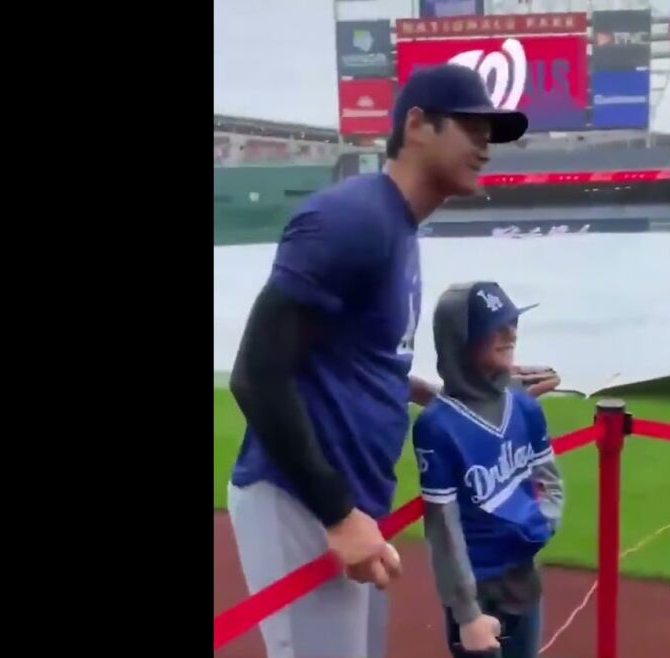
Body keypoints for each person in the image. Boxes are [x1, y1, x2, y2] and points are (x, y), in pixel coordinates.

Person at [224, 64, 529, 658]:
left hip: (349, 501)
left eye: (490, 135)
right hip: (302, 503)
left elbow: (358, 353)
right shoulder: (352, 219)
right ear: (417, 125)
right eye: (471, 129)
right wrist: (338, 515)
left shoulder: (395, 226)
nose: (485, 147)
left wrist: (445, 395)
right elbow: (256, 374)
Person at [412, 281, 566, 658]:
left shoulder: (524, 406)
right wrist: (467, 614)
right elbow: (442, 526)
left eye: (512, 323)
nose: (510, 333)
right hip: (478, 588)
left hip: (524, 575)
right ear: (461, 341)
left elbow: (548, 476)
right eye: (495, 327)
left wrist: (545, 522)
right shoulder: (437, 426)